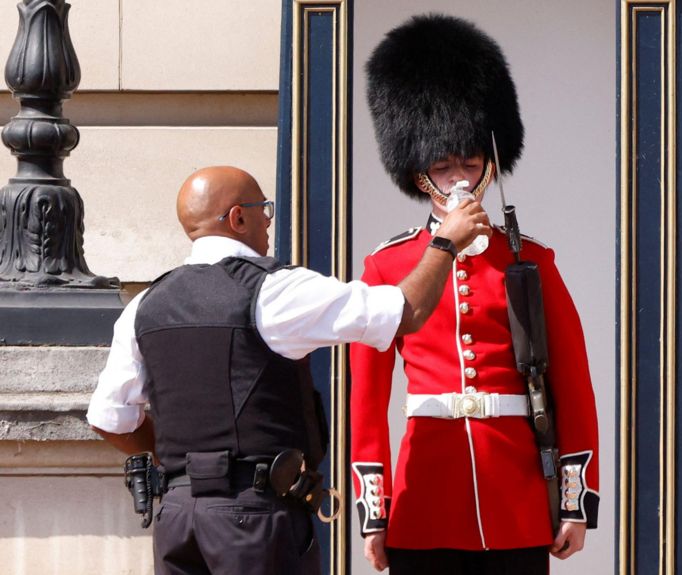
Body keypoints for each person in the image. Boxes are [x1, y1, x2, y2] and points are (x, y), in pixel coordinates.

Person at [86, 165, 490, 575]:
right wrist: (444, 242)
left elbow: (109, 419)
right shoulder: (273, 290)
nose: (267, 222)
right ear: (238, 217)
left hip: (177, 518)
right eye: (264, 209)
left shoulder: (145, 305)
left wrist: (185, 465)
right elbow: (406, 311)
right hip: (255, 518)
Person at [350, 14, 600, 575]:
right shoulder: (387, 264)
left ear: (489, 166)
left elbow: (573, 386)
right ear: (421, 178)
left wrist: (573, 500)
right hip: (426, 495)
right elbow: (367, 400)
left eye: (470, 161)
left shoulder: (529, 260)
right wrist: (375, 510)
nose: (460, 176)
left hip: (513, 493)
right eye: (444, 165)